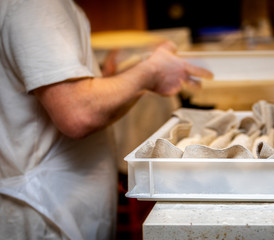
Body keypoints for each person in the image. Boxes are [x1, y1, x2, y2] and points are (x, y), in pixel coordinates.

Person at [0, 0, 212, 239]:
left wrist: (111, 81)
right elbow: (78, 113)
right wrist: (151, 72)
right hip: (47, 212)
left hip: (55, 205)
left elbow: (67, 96)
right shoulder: (38, 5)